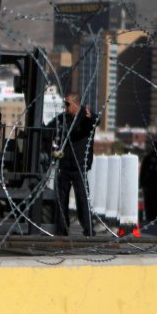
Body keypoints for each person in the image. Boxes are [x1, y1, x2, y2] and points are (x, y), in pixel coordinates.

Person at [47, 93, 95, 236]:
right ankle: (62, 229)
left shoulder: (84, 118)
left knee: (82, 198)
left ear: (76, 104)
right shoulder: (63, 119)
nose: (65, 107)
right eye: (64, 104)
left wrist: (90, 116)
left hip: (79, 165)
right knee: (61, 198)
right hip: (64, 164)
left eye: (68, 104)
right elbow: (50, 127)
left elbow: (94, 121)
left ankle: (89, 229)